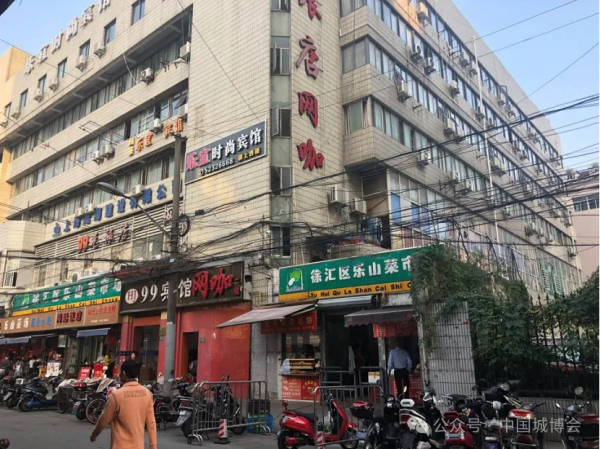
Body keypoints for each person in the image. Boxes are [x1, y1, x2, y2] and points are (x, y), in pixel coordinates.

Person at [90, 359, 157, 449]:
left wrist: (94, 435)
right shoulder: (147, 394)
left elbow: (103, 420)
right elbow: (151, 423)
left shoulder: (116, 396)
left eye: (120, 373)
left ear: (124, 374)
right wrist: (153, 446)